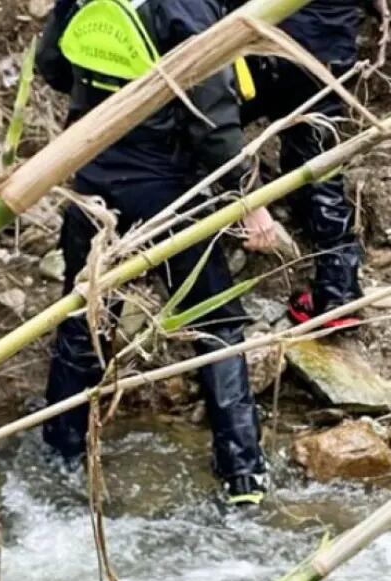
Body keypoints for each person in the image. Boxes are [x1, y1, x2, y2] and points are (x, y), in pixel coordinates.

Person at [35, 0, 278, 506]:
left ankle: (59, 457)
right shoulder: (184, 5)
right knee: (216, 325)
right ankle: (244, 479)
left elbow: (53, 65)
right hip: (168, 192)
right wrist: (250, 203)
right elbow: (212, 121)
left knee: (84, 317)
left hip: (93, 183)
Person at [236, 0, 367, 328]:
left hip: (269, 44)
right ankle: (338, 291)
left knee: (209, 129)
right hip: (328, 53)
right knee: (320, 164)